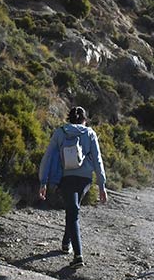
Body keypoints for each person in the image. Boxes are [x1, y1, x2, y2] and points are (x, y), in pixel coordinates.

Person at [38, 106, 108, 267]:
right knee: (73, 210)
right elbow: (98, 159)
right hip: (84, 179)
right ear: (85, 119)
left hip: (65, 177)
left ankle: (77, 255)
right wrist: (101, 184)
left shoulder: (60, 132)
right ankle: (69, 247)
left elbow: (48, 157)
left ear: (69, 118)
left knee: (72, 210)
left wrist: (43, 181)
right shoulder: (89, 133)